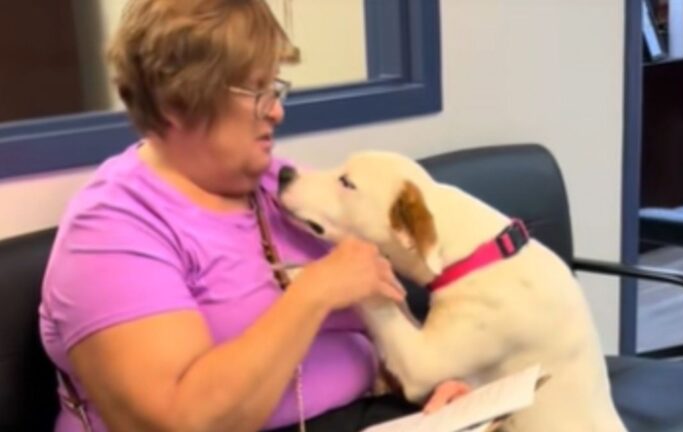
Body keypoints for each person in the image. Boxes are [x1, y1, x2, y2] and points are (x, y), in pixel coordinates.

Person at [38, 1, 468, 431]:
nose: (277, 111)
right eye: (256, 92)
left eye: (275, 89)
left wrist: (432, 388)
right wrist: (315, 292)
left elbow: (393, 328)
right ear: (177, 102)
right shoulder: (110, 231)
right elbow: (177, 422)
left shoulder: (279, 184)